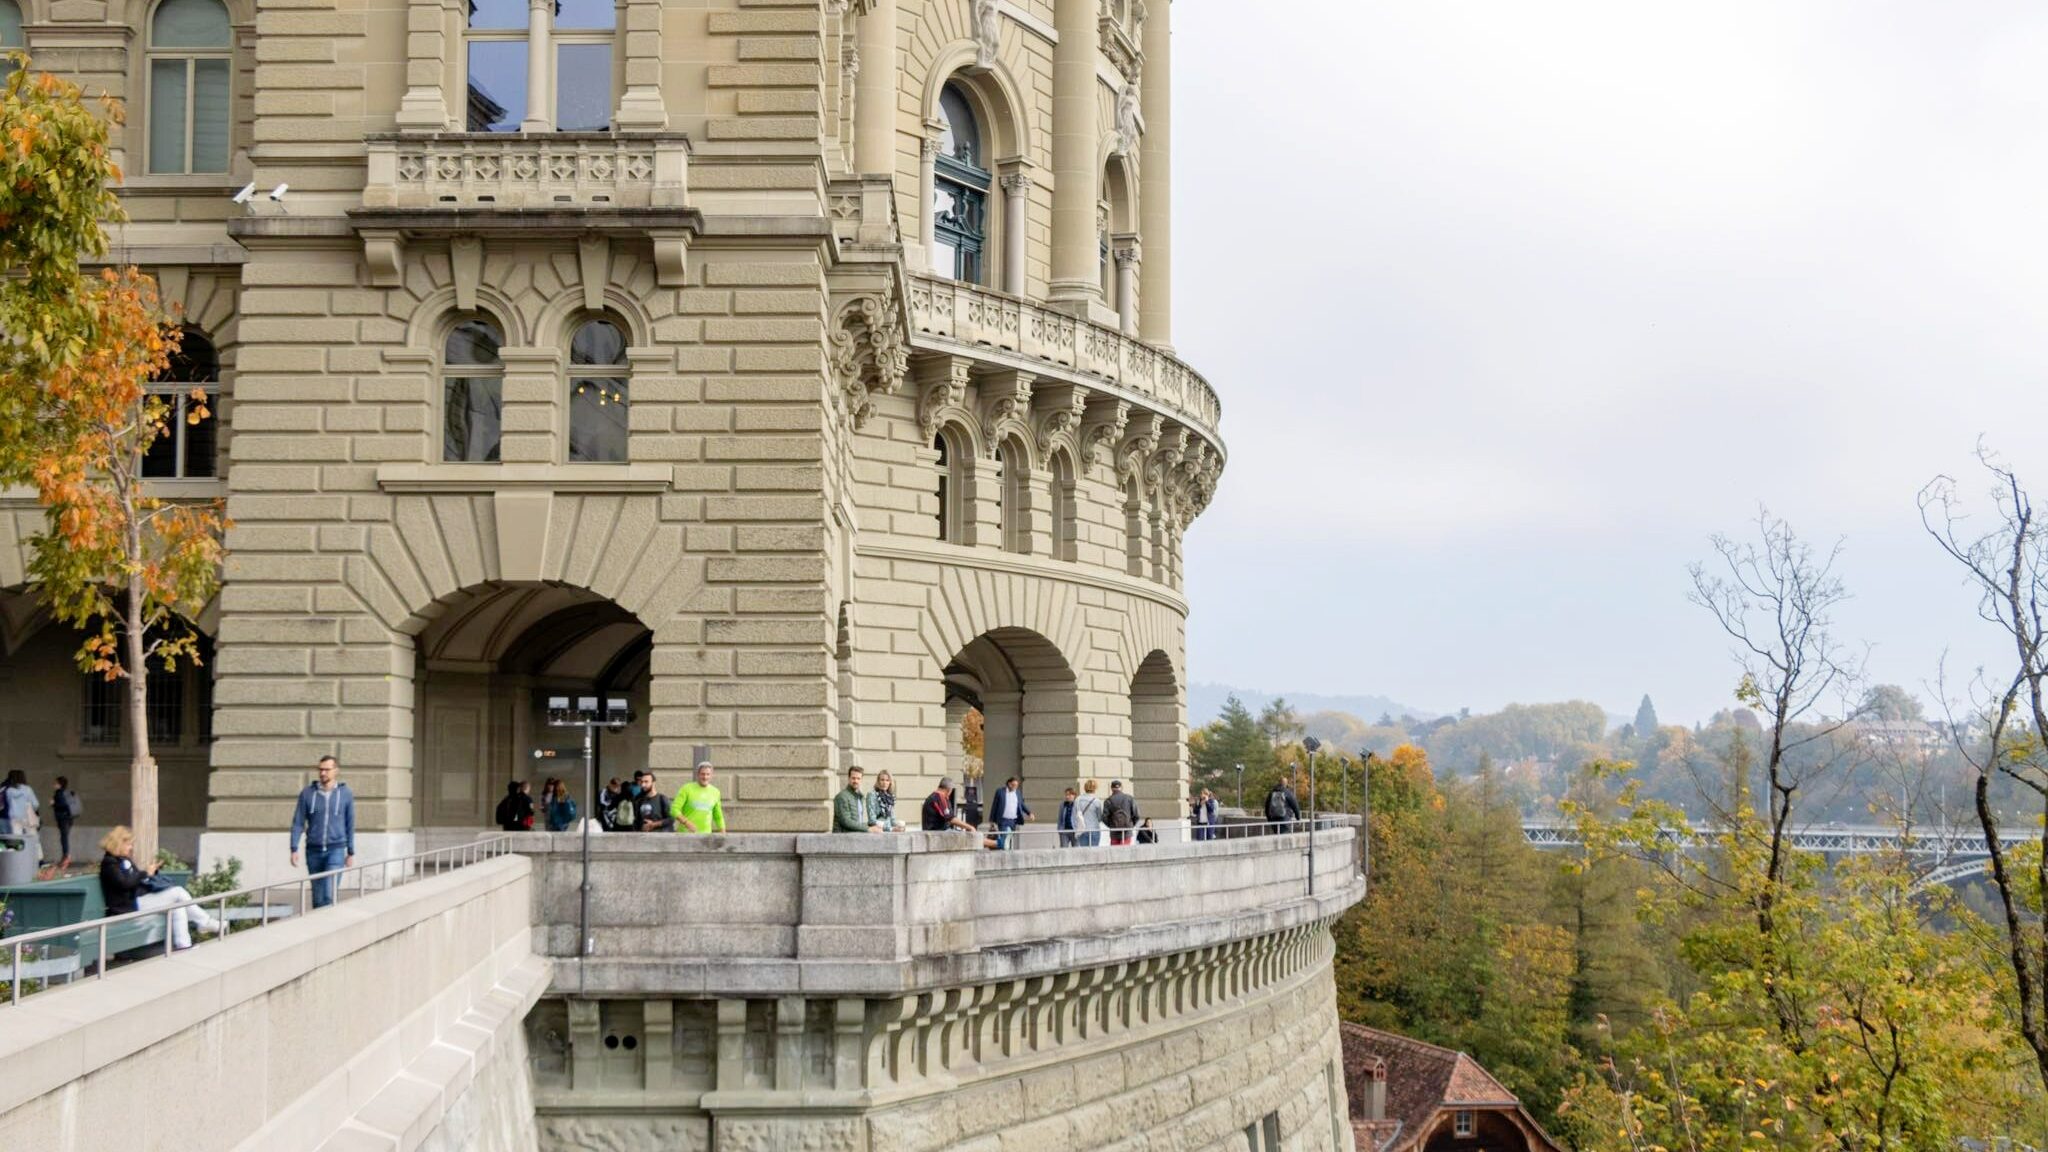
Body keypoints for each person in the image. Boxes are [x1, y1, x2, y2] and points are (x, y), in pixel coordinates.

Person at [98, 825, 219, 951]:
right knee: (178, 893)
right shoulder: (109, 863)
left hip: (137, 901)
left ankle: (183, 944)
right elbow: (125, 883)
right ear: (119, 844)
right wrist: (145, 873)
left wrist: (150, 873)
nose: (131, 848)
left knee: (177, 905)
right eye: (128, 844)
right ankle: (205, 922)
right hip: (127, 907)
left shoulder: (123, 860)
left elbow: (135, 880)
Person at [289, 755, 355, 909]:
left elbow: (350, 823)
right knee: (318, 898)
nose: (323, 773)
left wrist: (351, 851)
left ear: (336, 771)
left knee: (329, 894)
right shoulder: (307, 793)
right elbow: (298, 822)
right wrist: (294, 848)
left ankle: (331, 928)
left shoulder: (345, 793)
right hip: (313, 851)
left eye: (327, 769)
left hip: (336, 850)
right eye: (320, 769)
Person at [671, 762, 724, 834]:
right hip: (686, 835)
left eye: (708, 774)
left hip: (706, 836)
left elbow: (718, 816)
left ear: (711, 776)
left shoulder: (715, 792)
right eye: (702, 774)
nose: (705, 777)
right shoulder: (686, 788)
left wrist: (722, 831)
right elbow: (674, 810)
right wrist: (686, 822)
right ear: (698, 775)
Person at [1, 770, 40, 865]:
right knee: (32, 839)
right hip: (27, 818)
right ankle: (34, 861)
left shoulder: (9, 791)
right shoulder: (27, 789)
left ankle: (17, 863)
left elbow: (8, 804)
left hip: (14, 818)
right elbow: (36, 804)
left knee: (16, 839)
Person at [987, 776, 1031, 849]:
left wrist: (1029, 813)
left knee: (1009, 839)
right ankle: (1005, 851)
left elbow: (1022, 804)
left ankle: (1008, 852)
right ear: (1009, 784)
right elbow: (994, 806)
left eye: (1017, 785)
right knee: (1005, 836)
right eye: (1014, 785)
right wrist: (992, 820)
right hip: (1003, 820)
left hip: (1013, 821)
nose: (1015, 787)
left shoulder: (1017, 793)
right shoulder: (1000, 792)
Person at [833, 766, 881, 833]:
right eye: (853, 778)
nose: (856, 781)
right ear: (849, 778)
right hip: (842, 839)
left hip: (854, 837)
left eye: (858, 778)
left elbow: (857, 822)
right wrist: (868, 829)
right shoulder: (842, 797)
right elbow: (846, 821)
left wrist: (873, 826)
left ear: (861, 780)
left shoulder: (859, 797)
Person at [51, 775, 79, 867]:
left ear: (59, 784)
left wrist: (54, 804)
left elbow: (63, 805)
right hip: (69, 818)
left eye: (55, 783)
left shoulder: (59, 793)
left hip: (63, 818)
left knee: (64, 838)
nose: (53, 785)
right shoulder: (68, 792)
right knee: (64, 837)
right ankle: (66, 856)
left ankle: (66, 857)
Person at [1103, 779, 1140, 846]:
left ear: (1111, 788)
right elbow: (1136, 815)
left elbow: (1104, 817)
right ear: (1121, 787)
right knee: (1125, 853)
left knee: (1114, 853)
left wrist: (1112, 825)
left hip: (1114, 832)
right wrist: (1130, 825)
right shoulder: (1129, 798)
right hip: (1127, 832)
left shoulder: (1108, 801)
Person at [1073, 779, 1104, 847]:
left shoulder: (1078, 799)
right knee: (1094, 851)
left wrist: (1076, 829)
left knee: (1084, 853)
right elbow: (1099, 818)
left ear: (1085, 788)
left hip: (1082, 830)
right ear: (1095, 788)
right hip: (1094, 829)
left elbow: (1073, 817)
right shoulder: (1096, 801)